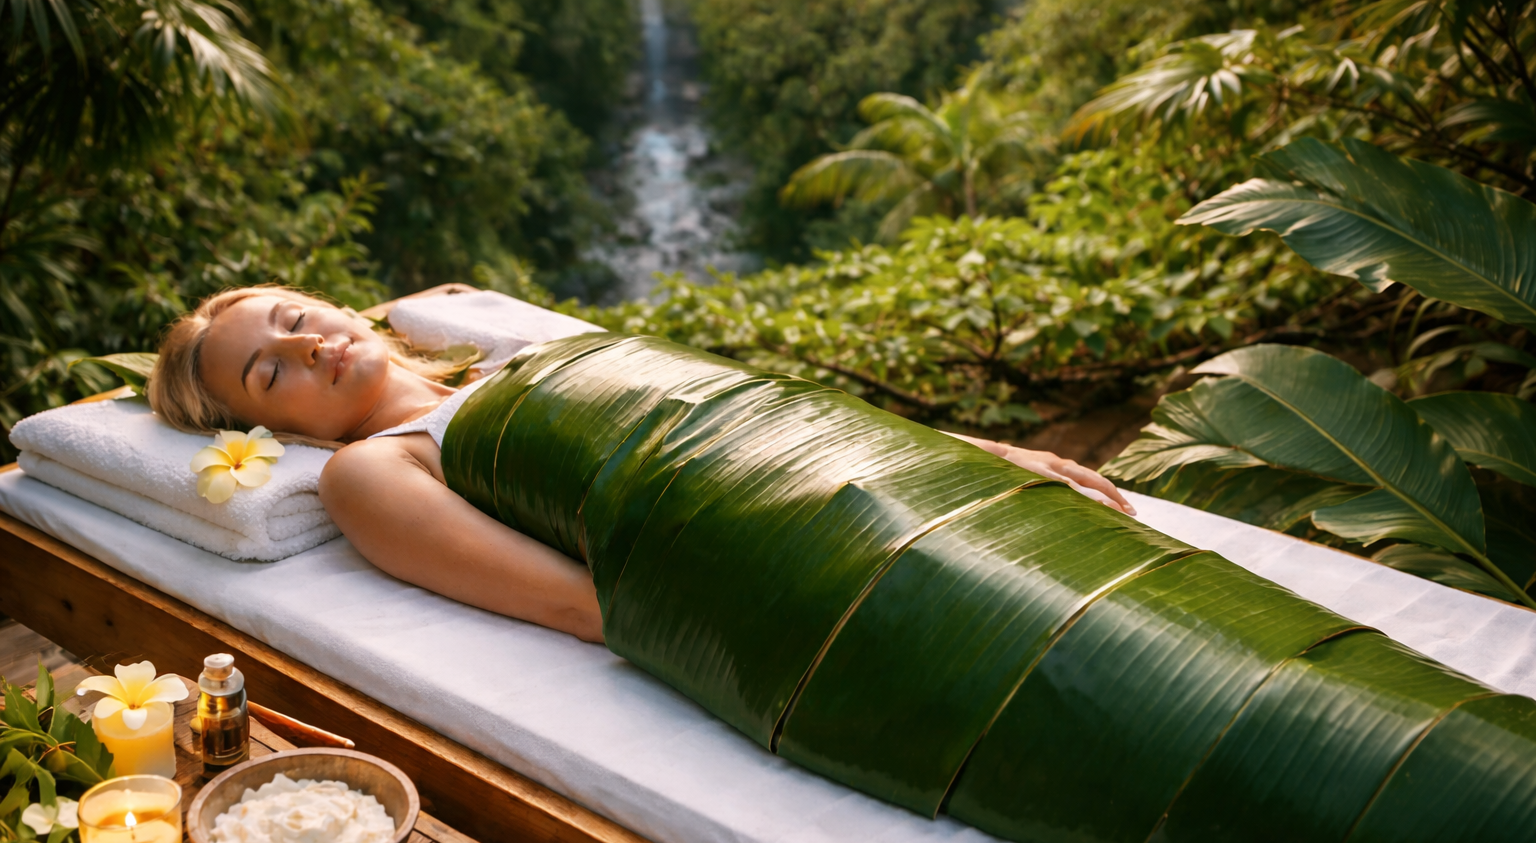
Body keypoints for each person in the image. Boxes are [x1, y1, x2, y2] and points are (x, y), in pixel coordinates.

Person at [149, 284, 1136, 644]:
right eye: (269, 372)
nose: (304, 347)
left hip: (863, 483)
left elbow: (768, 417)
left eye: (292, 318)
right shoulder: (364, 471)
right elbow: (581, 604)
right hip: (808, 560)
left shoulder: (517, 362)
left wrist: (976, 457)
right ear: (285, 432)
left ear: (333, 304)